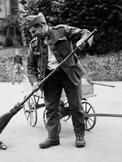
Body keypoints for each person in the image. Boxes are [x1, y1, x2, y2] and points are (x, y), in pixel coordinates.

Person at [26, 12, 93, 148]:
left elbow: (85, 33)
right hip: (49, 77)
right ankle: (53, 137)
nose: (33, 35)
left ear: (43, 25)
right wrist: (34, 82)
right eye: (31, 32)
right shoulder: (34, 45)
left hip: (69, 73)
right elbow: (31, 66)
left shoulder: (62, 31)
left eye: (34, 31)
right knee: (51, 108)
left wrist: (83, 41)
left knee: (76, 106)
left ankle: (79, 135)